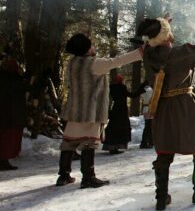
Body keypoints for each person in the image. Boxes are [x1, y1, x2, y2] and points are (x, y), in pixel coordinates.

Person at [139, 15, 195, 211]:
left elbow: (152, 42)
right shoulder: (180, 54)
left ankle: (161, 197)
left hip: (162, 109)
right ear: (167, 36)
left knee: (164, 153)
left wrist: (162, 26)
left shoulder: (148, 55)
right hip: (185, 107)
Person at [57, 33, 142, 187]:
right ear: (88, 48)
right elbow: (118, 61)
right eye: (92, 45)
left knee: (69, 143)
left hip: (74, 110)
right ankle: (88, 177)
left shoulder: (73, 63)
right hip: (90, 111)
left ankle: (63, 175)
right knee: (89, 143)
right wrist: (141, 52)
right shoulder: (94, 64)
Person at [102, 75, 143, 154]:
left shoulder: (111, 87)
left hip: (115, 109)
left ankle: (112, 147)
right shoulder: (122, 87)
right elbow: (132, 95)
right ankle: (116, 148)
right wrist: (141, 88)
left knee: (113, 127)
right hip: (122, 110)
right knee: (121, 127)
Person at [0, 58, 27, 170]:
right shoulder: (13, 80)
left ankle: (3, 160)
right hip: (10, 115)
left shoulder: (8, 79)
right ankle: (3, 161)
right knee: (7, 139)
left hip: (6, 115)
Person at [140, 82, 154, 149]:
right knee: (149, 126)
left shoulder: (142, 90)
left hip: (145, 108)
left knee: (147, 126)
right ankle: (148, 142)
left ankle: (146, 142)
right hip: (150, 109)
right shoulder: (150, 90)